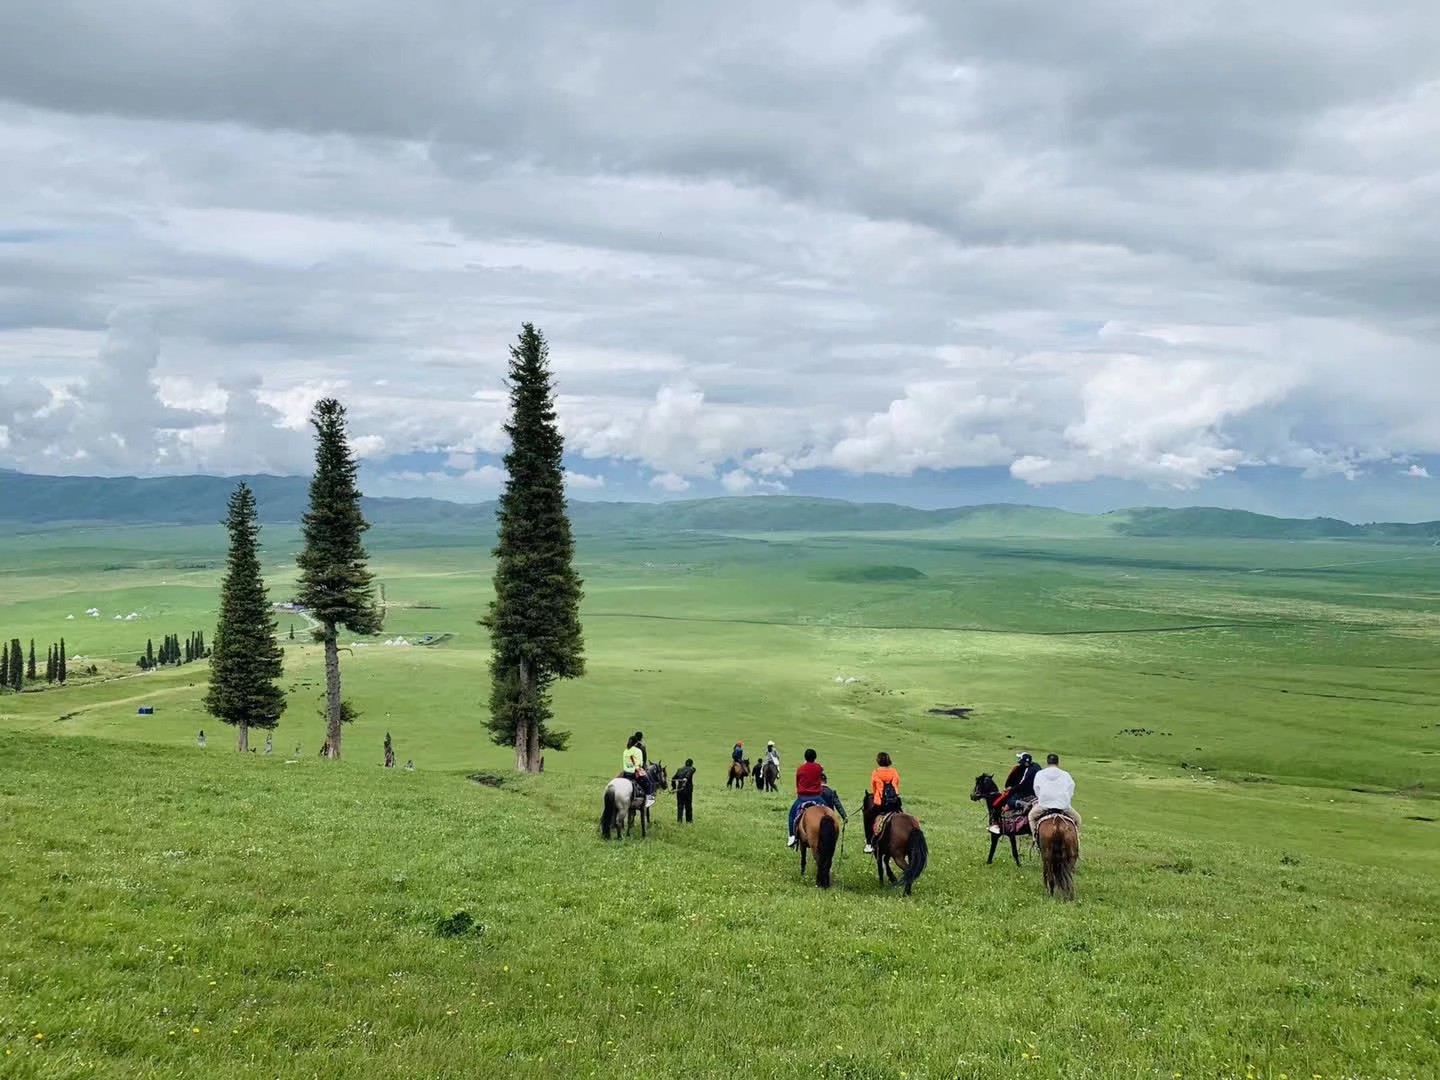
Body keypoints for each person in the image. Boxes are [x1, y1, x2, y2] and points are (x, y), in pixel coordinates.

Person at [1027, 753, 1081, 834]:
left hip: (1044, 805)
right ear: (1058, 762)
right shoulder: (1065, 774)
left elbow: (1036, 789)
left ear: (1047, 762)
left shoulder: (1040, 774)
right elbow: (1071, 789)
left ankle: (1035, 838)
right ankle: (1077, 839)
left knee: (1031, 816)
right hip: (1063, 806)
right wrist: (1066, 799)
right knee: (1078, 819)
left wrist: (1042, 798)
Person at [786, 748, 826, 847]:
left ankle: (792, 837)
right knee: (829, 813)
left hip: (802, 798)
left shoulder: (800, 769)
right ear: (815, 757)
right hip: (817, 797)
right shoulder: (818, 768)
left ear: (805, 757)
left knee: (791, 815)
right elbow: (821, 769)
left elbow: (797, 782)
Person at [864, 752, 902, 853]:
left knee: (868, 818)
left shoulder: (876, 772)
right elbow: (897, 783)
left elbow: (873, 786)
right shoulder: (894, 771)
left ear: (878, 761)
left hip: (881, 803)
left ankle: (869, 844)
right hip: (894, 802)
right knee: (901, 814)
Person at [623, 735, 654, 809]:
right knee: (648, 782)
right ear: (636, 743)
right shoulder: (638, 750)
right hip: (634, 772)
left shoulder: (626, 750)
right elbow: (640, 763)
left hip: (626, 772)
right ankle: (649, 798)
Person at [672, 758, 697, 823]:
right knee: (688, 806)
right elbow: (692, 770)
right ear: (691, 764)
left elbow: (673, 779)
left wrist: (674, 787)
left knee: (680, 806)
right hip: (688, 791)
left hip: (679, 790)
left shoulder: (679, 770)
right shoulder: (691, 769)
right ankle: (689, 821)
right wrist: (686, 778)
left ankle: (679, 820)